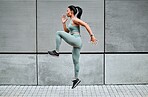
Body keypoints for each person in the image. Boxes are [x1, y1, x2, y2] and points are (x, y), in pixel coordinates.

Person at [48, 5, 97, 89]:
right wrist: (63, 23)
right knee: (75, 61)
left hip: (76, 39)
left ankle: (57, 51)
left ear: (71, 12)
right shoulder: (71, 21)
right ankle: (76, 79)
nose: (66, 12)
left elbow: (85, 24)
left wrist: (92, 36)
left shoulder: (74, 19)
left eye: (67, 11)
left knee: (58, 33)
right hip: (77, 42)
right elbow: (67, 31)